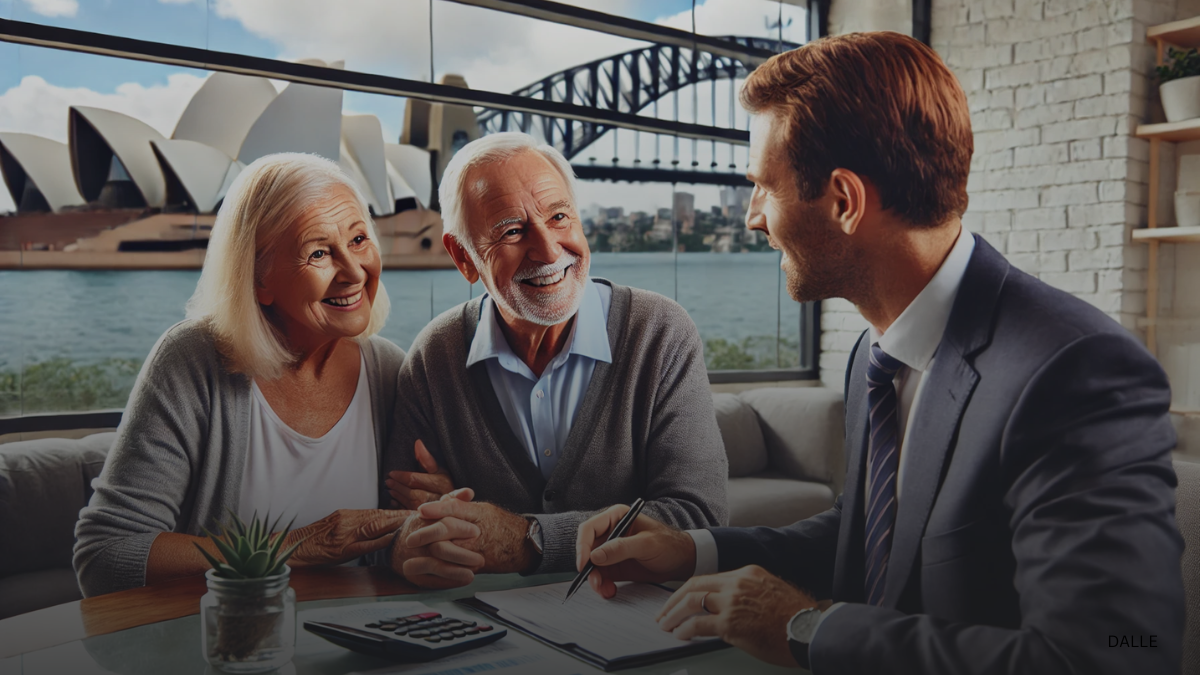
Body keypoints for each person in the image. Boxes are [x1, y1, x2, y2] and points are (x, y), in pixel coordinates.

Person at [575, 31, 1185, 674]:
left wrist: (806, 629)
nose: (752, 217)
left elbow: (1124, 656)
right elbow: (872, 534)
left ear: (844, 201)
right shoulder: (876, 351)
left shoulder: (1076, 373)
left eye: (762, 186)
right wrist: (693, 550)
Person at [383, 132, 729, 588]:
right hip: (492, 631)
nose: (548, 251)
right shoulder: (434, 357)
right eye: (512, 230)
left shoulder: (660, 333)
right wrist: (422, 535)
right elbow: (391, 527)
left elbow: (700, 518)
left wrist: (524, 539)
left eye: (559, 217)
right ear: (463, 258)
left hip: (636, 621)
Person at [74, 153, 410, 597]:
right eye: (319, 252)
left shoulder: (388, 368)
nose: (352, 272)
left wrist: (427, 517)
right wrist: (292, 548)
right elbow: (106, 557)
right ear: (258, 280)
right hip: (226, 651)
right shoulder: (192, 361)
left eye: (359, 240)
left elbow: (395, 552)